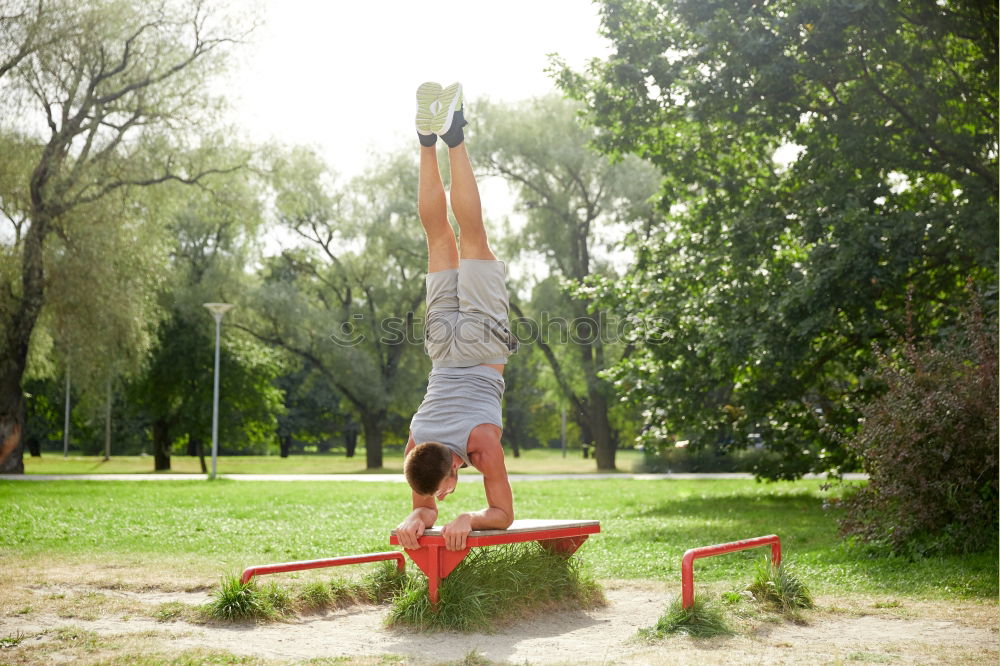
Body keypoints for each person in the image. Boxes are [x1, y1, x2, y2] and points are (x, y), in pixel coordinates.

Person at [394, 82, 518, 553]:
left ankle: (454, 134)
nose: (443, 496)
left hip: (483, 347)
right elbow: (424, 504)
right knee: (440, 240)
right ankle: (427, 140)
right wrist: (415, 513)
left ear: (450, 467)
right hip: (442, 347)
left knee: (472, 236)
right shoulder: (416, 446)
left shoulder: (482, 444)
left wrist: (469, 515)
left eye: (444, 487)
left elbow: (503, 516)